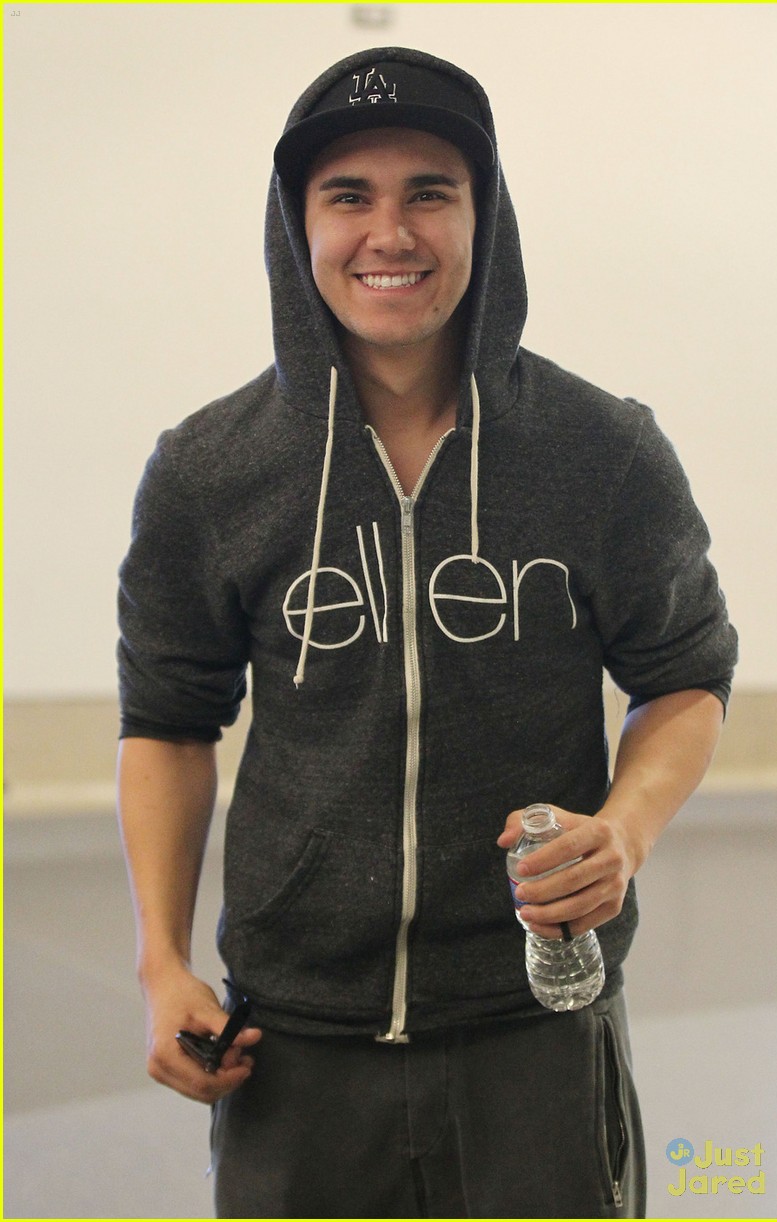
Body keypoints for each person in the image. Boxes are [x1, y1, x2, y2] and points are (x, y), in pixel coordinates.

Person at [117, 46, 738, 1219]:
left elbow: (688, 677)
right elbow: (167, 722)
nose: (388, 233)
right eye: (349, 195)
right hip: (295, 1043)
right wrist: (161, 961)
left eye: (429, 193)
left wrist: (624, 830)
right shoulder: (210, 471)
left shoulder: (601, 452)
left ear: (483, 215)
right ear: (298, 224)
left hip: (536, 1027)